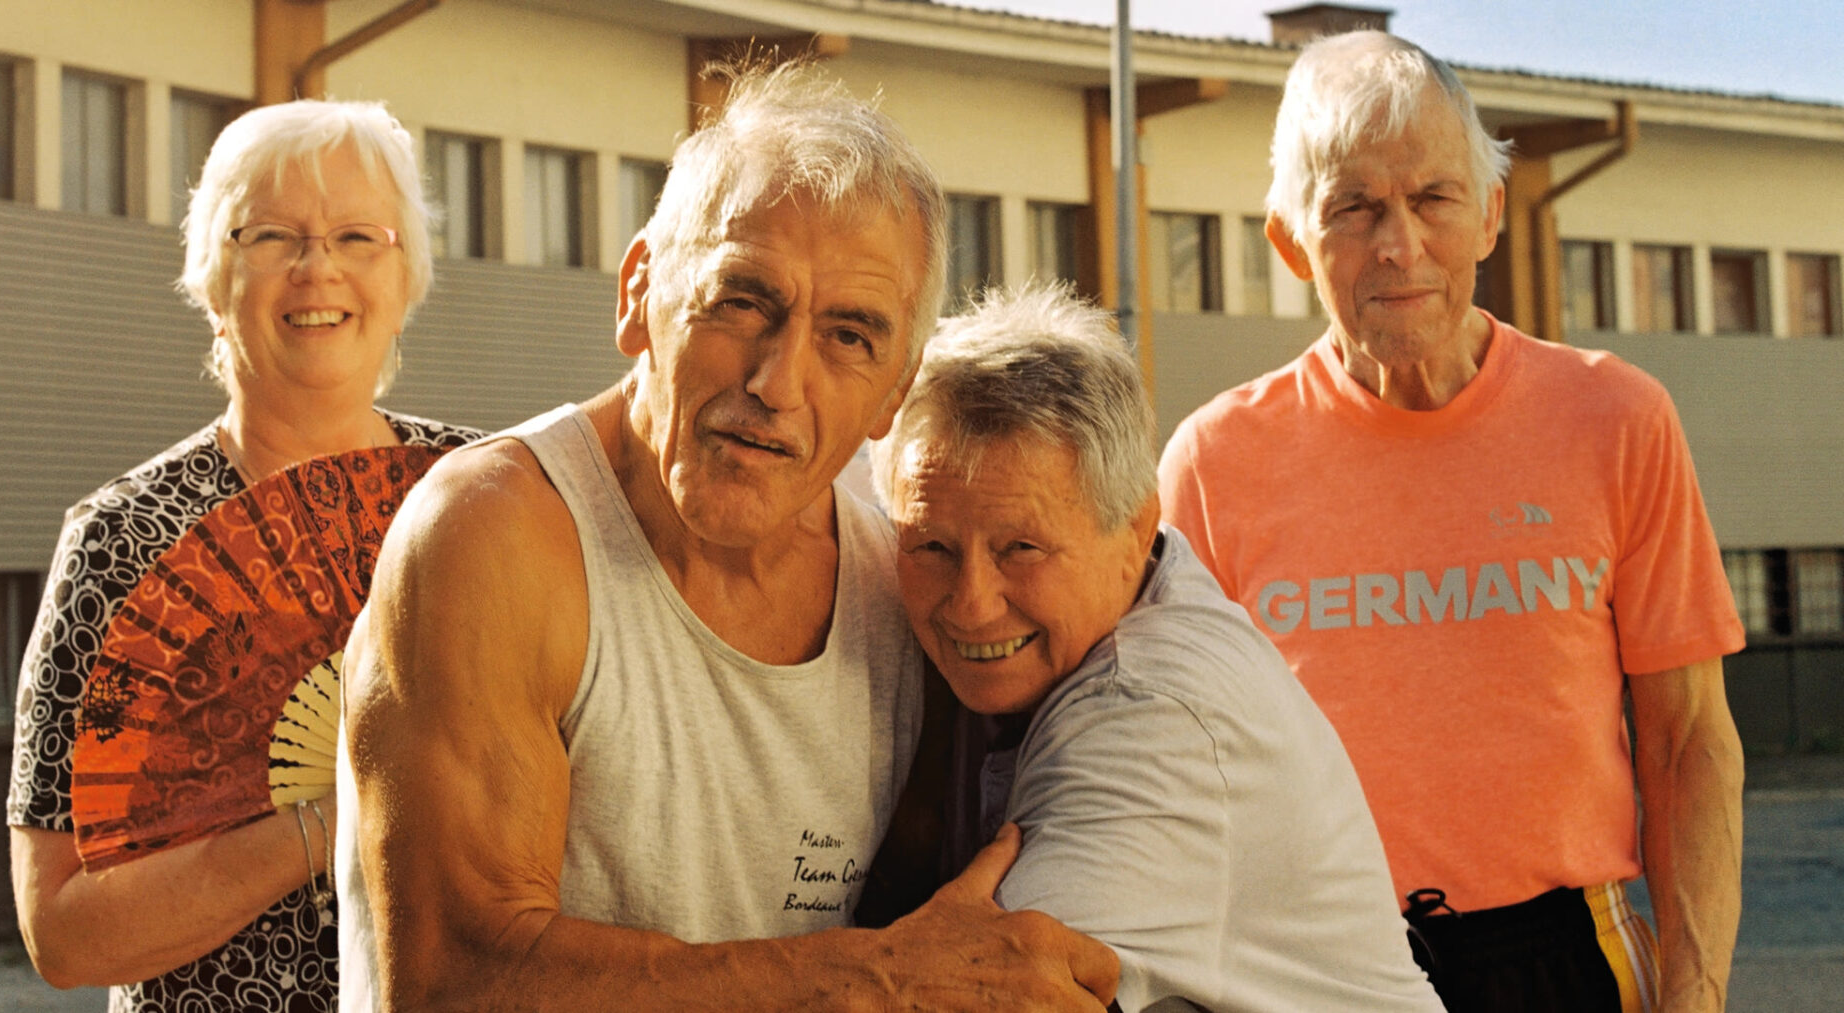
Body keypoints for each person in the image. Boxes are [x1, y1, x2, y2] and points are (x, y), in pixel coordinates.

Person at [334, 64, 1118, 1012]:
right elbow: (458, 981)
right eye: (743, 300)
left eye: (850, 335)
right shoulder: (491, 537)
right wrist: (873, 981)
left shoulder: (898, 588)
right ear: (638, 293)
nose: (779, 381)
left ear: (894, 392)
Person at [1157, 29, 1746, 1013]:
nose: (1401, 243)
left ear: (1490, 214)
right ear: (1290, 239)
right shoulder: (1214, 462)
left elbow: (1688, 743)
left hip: (1570, 956)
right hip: (1313, 965)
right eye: (1353, 206)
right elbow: (1168, 766)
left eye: (1434, 196)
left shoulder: (1616, 420)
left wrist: (1695, 992)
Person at [6, 99, 481, 1011]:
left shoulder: (481, 498)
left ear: (407, 275)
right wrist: (327, 818)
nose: (318, 268)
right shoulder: (124, 539)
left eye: (357, 235)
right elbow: (62, 931)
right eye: (270, 236)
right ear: (214, 280)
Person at [870, 284, 1445, 1013]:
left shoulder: (1149, 711)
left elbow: (975, 994)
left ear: (1136, 531)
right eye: (933, 547)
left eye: (1021, 548)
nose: (971, 602)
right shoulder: (1113, 604)